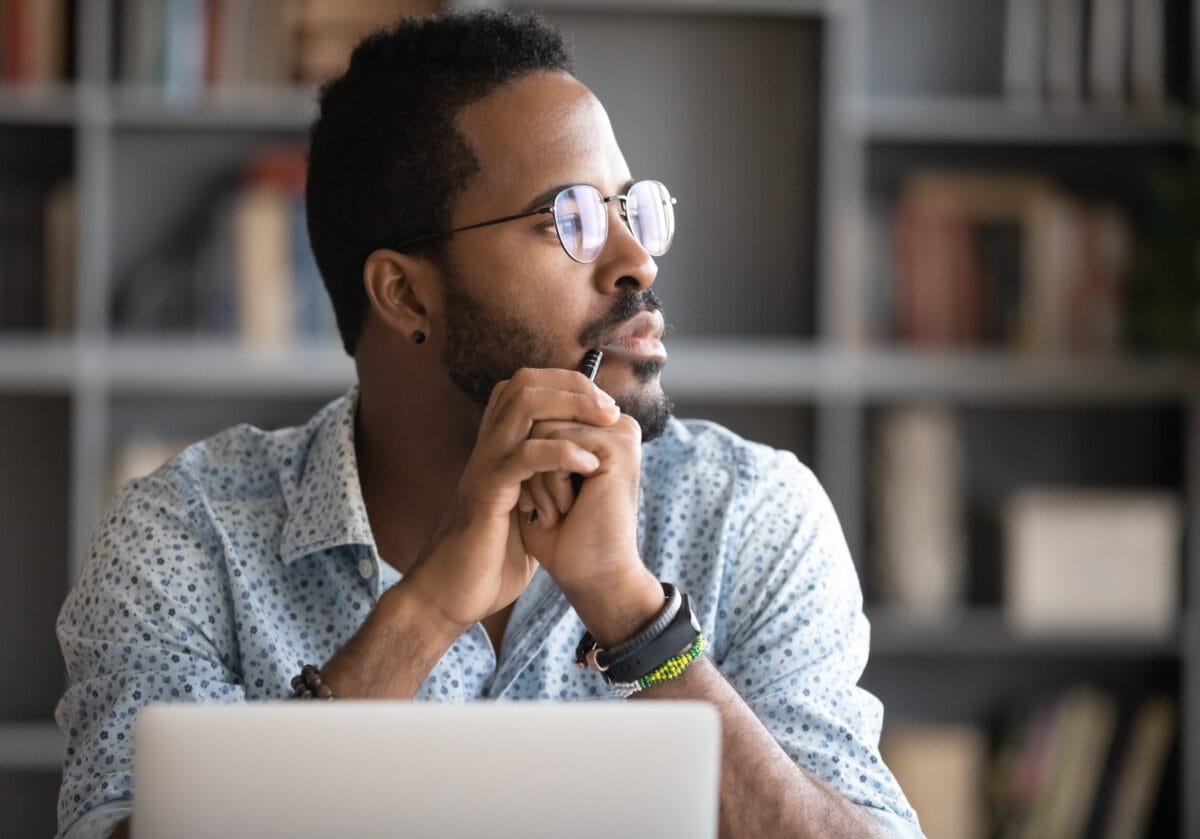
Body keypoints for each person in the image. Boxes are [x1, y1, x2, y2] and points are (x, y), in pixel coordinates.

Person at [55, 10, 922, 838]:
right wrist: (426, 609)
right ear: (405, 293)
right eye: (570, 220)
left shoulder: (750, 512)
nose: (636, 260)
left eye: (631, 209)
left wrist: (636, 619)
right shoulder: (189, 536)